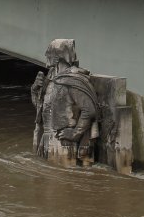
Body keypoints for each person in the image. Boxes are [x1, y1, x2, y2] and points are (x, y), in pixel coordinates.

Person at [31, 39, 99, 168]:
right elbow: (42, 111)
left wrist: (74, 134)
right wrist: (35, 90)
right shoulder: (51, 79)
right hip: (46, 139)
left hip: (63, 142)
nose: (46, 56)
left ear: (57, 57)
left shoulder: (73, 81)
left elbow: (89, 110)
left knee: (61, 183)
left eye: (49, 53)